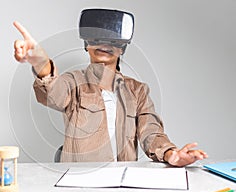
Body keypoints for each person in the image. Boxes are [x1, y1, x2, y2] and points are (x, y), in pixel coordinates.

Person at [13, 8, 208, 166]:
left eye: (113, 40)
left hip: (123, 181)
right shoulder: (73, 82)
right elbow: (53, 92)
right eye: (96, 38)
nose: (104, 44)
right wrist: (40, 61)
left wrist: (170, 154)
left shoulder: (138, 90)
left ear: (122, 48)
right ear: (86, 45)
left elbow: (151, 132)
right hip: (80, 182)